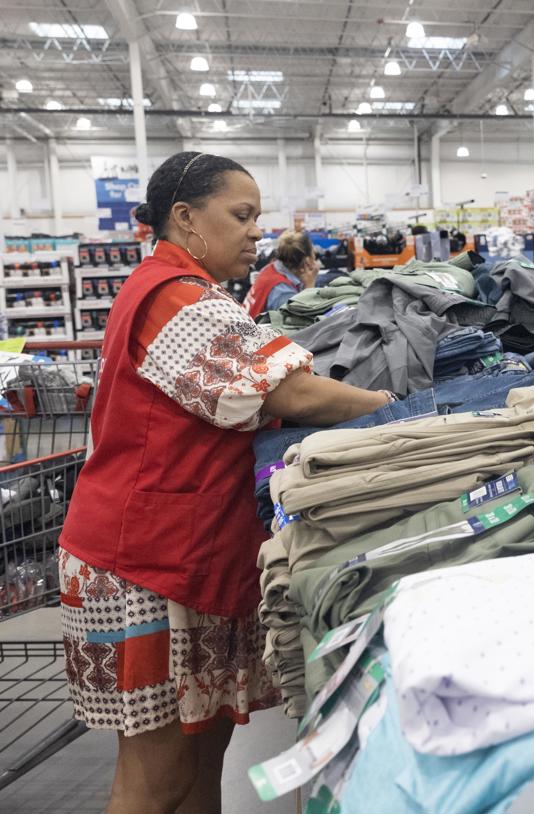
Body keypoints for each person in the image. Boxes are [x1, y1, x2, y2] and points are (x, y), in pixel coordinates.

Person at [56, 151, 394, 814]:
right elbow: (290, 391)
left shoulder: (191, 294)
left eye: (257, 218)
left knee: (200, 753)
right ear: (185, 217)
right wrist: (398, 412)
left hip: (185, 546)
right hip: (143, 560)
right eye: (240, 216)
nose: (254, 233)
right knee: (156, 774)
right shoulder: (172, 297)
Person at [244, 230, 319, 318]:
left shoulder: (271, 268)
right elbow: (301, 322)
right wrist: (310, 286)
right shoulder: (283, 292)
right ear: (306, 261)